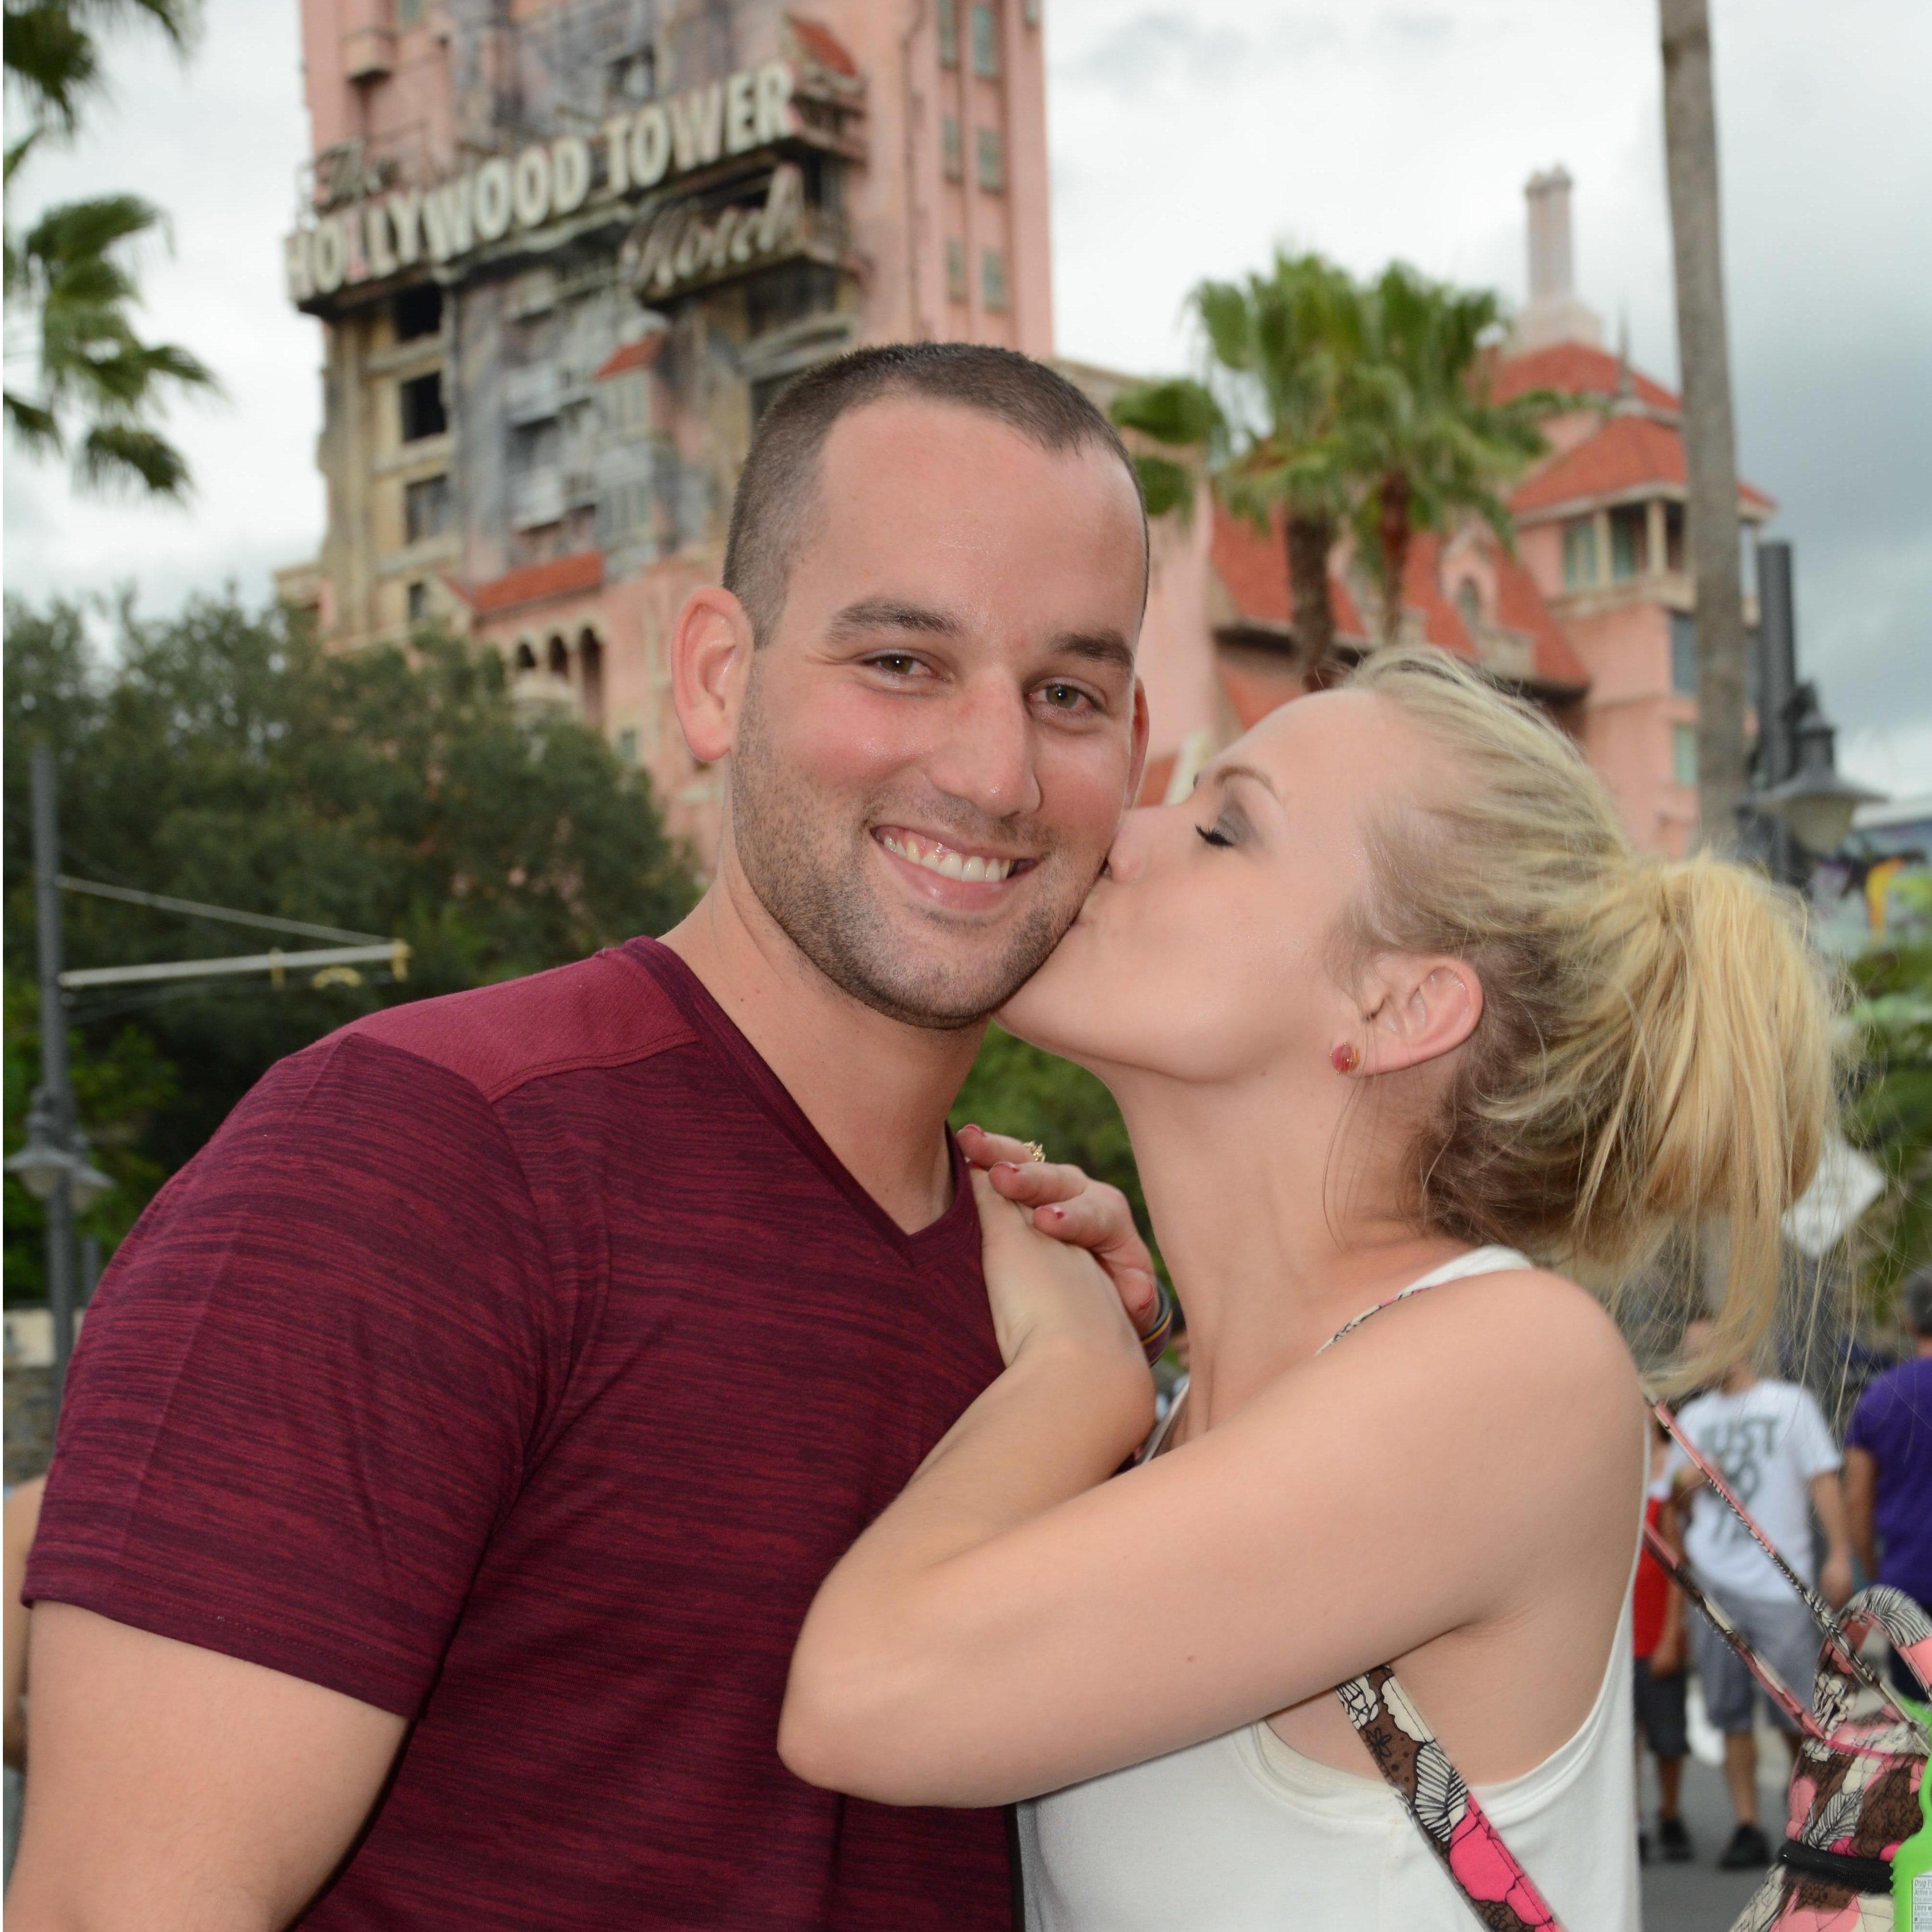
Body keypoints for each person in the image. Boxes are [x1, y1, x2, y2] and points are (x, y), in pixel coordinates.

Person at [10, 344, 1167, 1931]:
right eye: (899, 659)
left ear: (1134, 747)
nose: (993, 768)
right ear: (710, 676)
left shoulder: (1035, 1294)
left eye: (1066, 693)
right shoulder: (421, 1158)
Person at [778, 648, 1836, 1932]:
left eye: (1226, 827)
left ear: (1399, 1004)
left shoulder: (1512, 1369)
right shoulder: (1210, 1425)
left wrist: (1076, 1378)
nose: (1116, 828)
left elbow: (865, 1692)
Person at [1668, 1313, 1854, 1870]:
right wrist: (1690, 1482)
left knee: (1797, 1710)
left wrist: (1841, 1554)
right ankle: (1747, 1824)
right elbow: (1674, 1500)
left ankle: (1805, 1810)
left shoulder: (1789, 1403)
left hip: (1780, 1582)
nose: (1701, 1362)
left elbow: (1823, 1478)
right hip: (1717, 1581)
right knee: (1730, 1714)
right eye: (1692, 1352)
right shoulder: (1693, 1418)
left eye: (1708, 1348)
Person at [1845, 1267, 1932, 1702]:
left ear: (1909, 1321)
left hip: (1909, 1586)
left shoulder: (1881, 1396)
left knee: (1920, 1715)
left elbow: (1857, 1499)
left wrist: (1872, 1571)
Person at [1632, 1422, 1692, 1864]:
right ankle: (1630, 1821)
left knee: (1668, 1737)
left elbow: (1676, 1568)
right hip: (1618, 1643)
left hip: (1654, 1636)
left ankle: (1670, 1813)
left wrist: (1672, 1635)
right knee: (1623, 1740)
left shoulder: (1661, 1494)